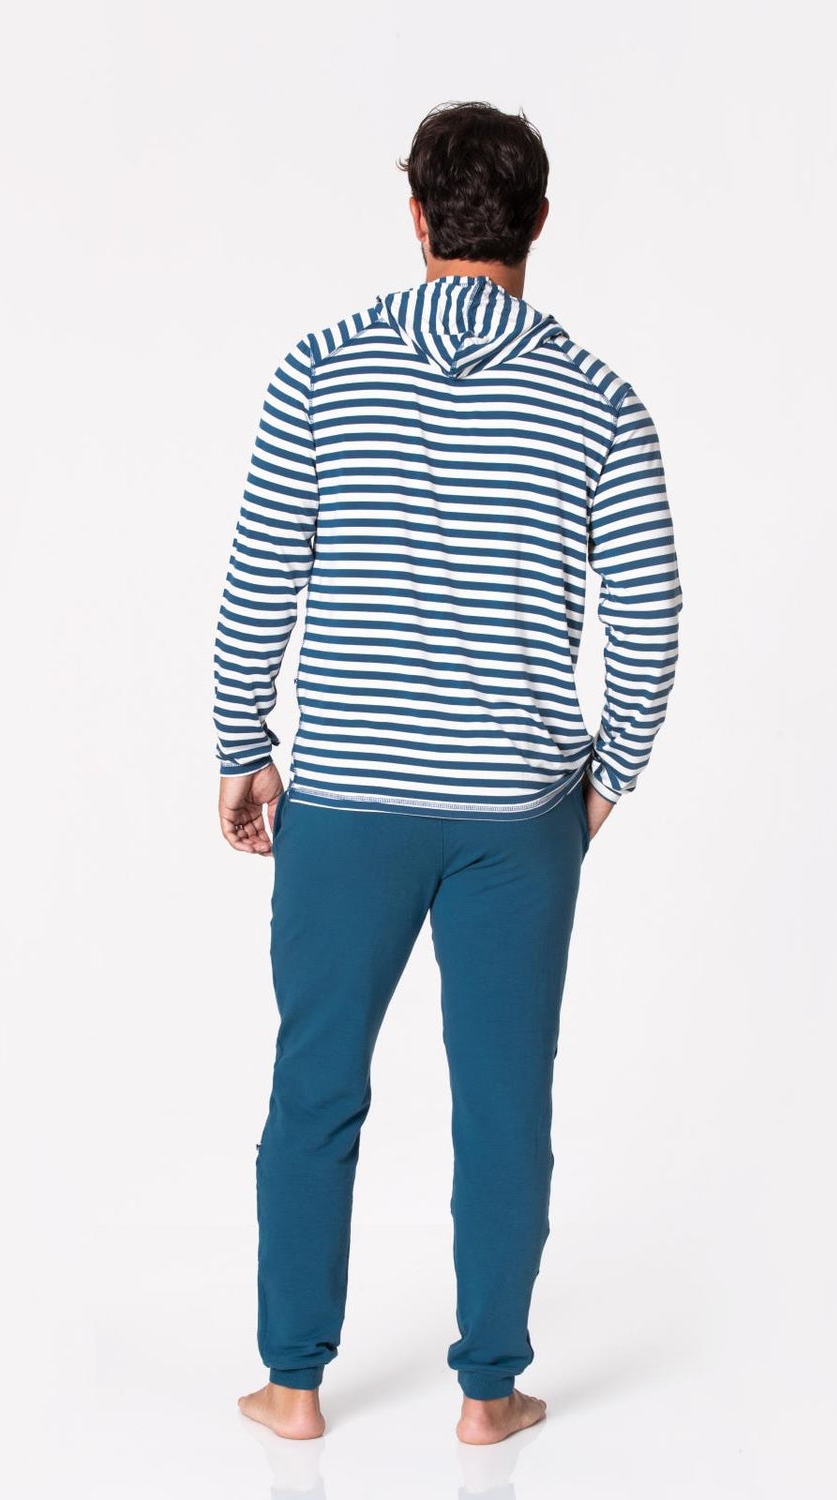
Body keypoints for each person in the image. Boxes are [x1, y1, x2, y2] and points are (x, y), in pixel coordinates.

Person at [214, 100, 682, 1445]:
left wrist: (242, 751)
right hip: (516, 821)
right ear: (539, 222)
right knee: (504, 1105)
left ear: (415, 215)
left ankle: (294, 1386)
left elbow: (259, 584)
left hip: (345, 805)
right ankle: (489, 1396)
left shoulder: (320, 371)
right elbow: (650, 619)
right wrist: (604, 782)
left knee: (315, 1087)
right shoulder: (600, 400)